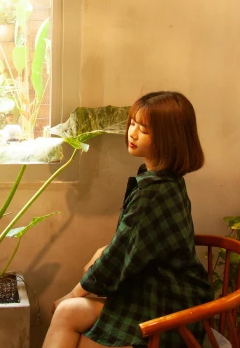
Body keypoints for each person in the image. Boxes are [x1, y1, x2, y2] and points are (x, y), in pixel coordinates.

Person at [43, 91, 213, 348]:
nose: (132, 133)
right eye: (132, 123)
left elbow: (122, 250)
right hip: (149, 288)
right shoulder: (159, 178)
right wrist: (103, 252)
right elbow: (133, 240)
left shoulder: (155, 190)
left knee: (74, 321)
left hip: (168, 304)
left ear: (169, 138)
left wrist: (74, 292)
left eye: (143, 129)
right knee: (66, 313)